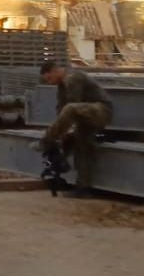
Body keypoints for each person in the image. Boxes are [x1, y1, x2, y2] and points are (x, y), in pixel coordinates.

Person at [34, 59, 113, 197]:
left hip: (100, 111)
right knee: (82, 148)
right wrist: (63, 134)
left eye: (50, 78)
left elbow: (73, 105)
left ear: (55, 70)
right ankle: (83, 189)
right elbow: (61, 111)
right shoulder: (61, 86)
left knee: (70, 109)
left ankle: (46, 140)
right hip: (84, 117)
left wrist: (57, 134)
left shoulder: (73, 78)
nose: (50, 82)